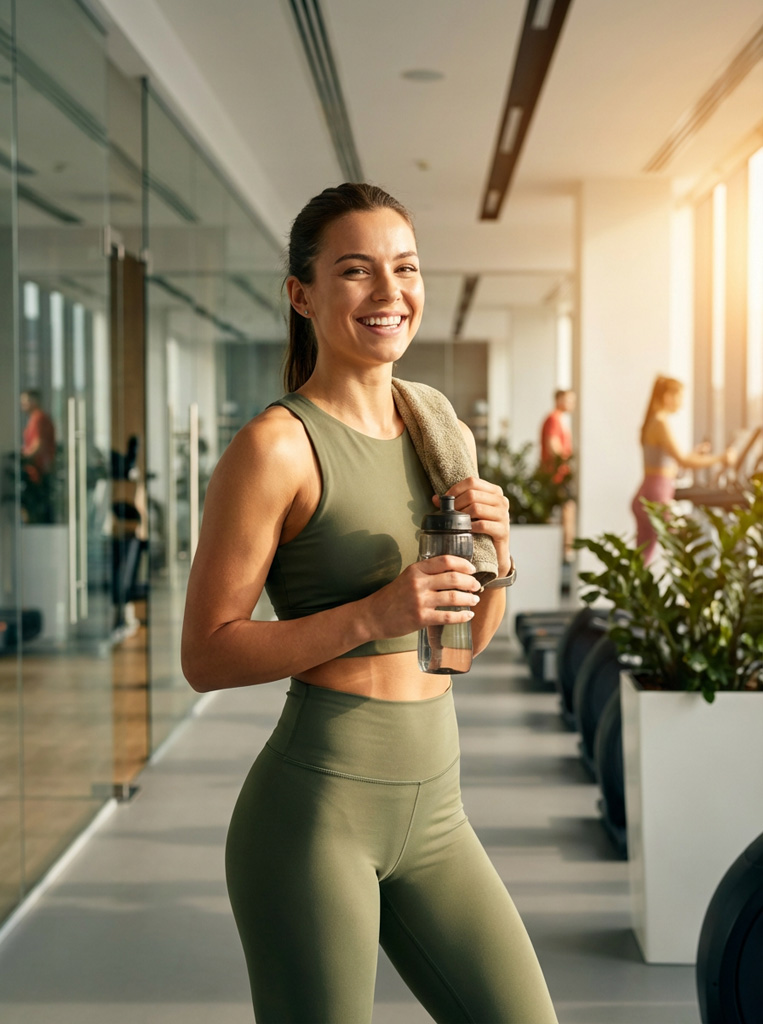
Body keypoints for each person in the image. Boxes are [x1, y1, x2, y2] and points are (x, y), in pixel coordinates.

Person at [181, 183, 557, 1024]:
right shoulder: (275, 447)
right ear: (302, 294)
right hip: (317, 816)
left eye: (405, 268)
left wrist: (498, 557)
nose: (390, 294)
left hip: (438, 806)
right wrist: (375, 615)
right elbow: (205, 655)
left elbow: (463, 643)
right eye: (356, 271)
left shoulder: (435, 428)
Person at [632, 375, 736, 564]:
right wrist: (721, 458)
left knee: (642, 558)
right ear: (667, 396)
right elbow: (684, 461)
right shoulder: (660, 423)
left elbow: (672, 462)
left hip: (649, 492)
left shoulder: (655, 421)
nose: (681, 402)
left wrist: (696, 453)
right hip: (656, 496)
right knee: (684, 548)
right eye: (679, 396)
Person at [540, 388, 575, 561]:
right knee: (567, 508)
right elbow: (553, 446)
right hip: (556, 476)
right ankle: (567, 552)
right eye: (569, 400)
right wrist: (565, 461)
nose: (572, 404)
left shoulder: (559, 419)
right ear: (559, 399)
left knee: (565, 510)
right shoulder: (553, 419)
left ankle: (566, 550)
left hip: (559, 474)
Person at [20, 388, 56, 522]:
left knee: (38, 508)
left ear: (33, 401)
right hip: (37, 469)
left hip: (39, 470)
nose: (22, 404)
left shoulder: (39, 418)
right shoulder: (36, 419)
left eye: (25, 401)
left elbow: (38, 445)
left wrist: (24, 457)